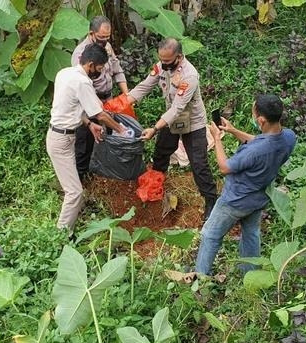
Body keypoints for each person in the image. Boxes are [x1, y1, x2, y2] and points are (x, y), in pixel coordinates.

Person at [195, 95, 297, 275]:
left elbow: (225, 167)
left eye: (253, 112)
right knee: (251, 235)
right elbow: (260, 140)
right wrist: (234, 131)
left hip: (235, 201)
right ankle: (250, 274)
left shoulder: (255, 152)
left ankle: (200, 277)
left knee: (210, 235)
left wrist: (217, 139)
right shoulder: (288, 137)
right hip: (258, 198)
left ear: (261, 120)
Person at [127, 38, 217, 220]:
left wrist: (154, 128)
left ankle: (211, 201)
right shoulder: (161, 66)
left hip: (193, 123)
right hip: (171, 119)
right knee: (161, 153)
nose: (163, 64)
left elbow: (177, 109)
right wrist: (124, 102)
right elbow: (145, 85)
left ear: (179, 56)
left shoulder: (189, 76)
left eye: (167, 61)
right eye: (161, 60)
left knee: (199, 165)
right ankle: (155, 188)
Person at [47, 43, 125, 235]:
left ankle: (70, 223)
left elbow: (70, 107)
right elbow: (100, 114)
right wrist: (121, 129)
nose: (99, 72)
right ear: (90, 64)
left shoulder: (64, 73)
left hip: (60, 135)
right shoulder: (83, 82)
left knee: (74, 188)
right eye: (99, 69)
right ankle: (62, 235)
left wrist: (89, 125)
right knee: (75, 192)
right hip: (61, 141)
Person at [72, 15, 129, 180]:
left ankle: (103, 171)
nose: (105, 40)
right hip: (90, 104)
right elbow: (82, 86)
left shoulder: (107, 47)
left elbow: (117, 70)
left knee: (107, 138)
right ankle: (81, 179)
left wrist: (126, 96)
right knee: (86, 142)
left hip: (109, 101)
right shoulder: (80, 54)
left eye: (107, 37)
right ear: (91, 33)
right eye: (101, 37)